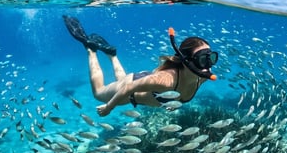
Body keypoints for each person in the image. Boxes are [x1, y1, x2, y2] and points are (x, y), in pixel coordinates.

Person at [63, 16, 218, 116]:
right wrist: (109, 107)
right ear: (187, 61)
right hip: (130, 89)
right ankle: (91, 50)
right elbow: (128, 88)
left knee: (123, 80)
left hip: (144, 81)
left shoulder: (201, 77)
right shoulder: (166, 80)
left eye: (211, 58)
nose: (208, 66)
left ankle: (112, 55)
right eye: (202, 60)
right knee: (98, 93)